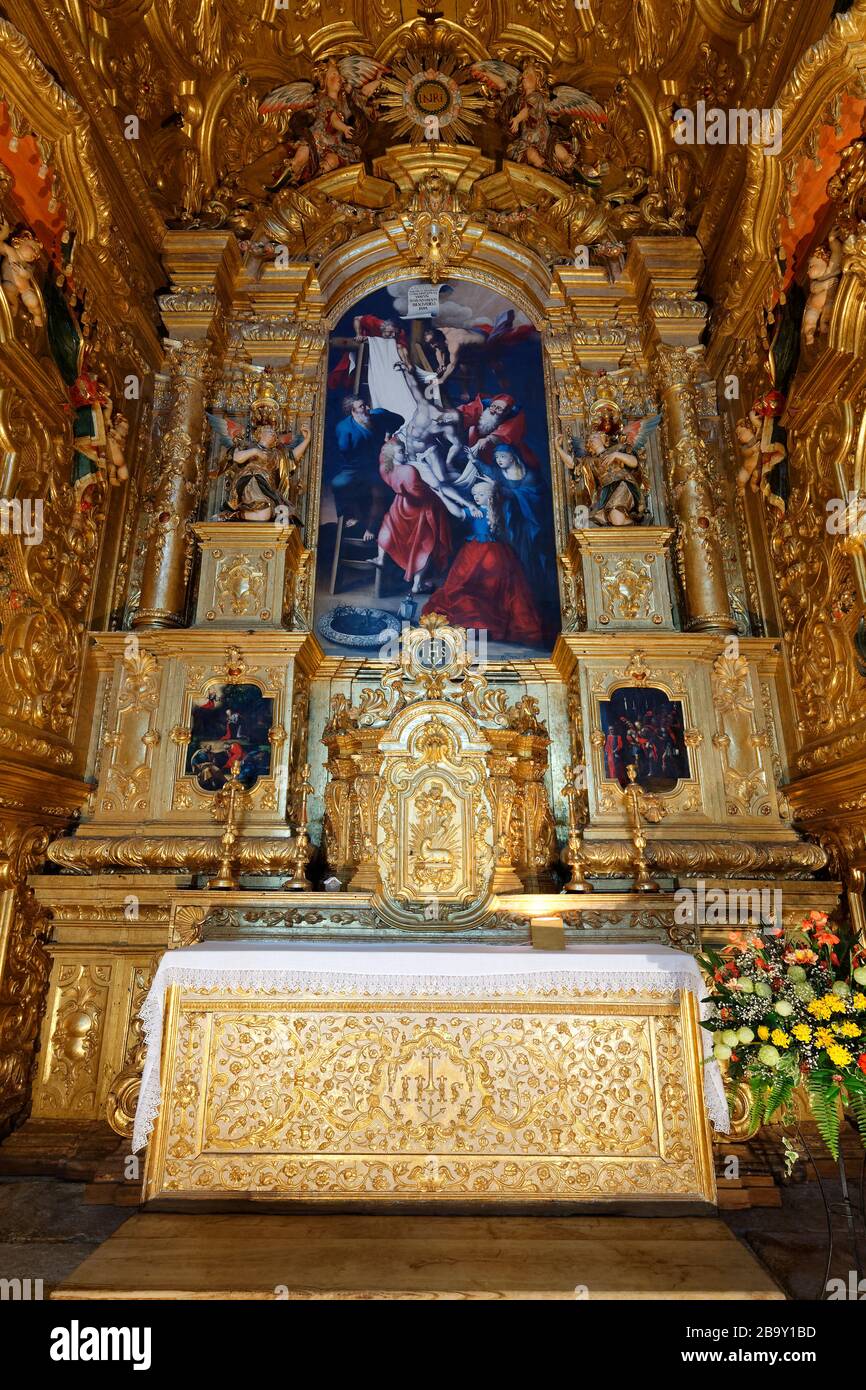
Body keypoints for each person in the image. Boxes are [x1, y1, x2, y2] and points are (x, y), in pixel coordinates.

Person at [421, 480, 544, 647]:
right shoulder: (495, 511)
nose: (476, 498)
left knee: (479, 586)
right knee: (482, 587)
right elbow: (458, 512)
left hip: (480, 553)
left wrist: (442, 495)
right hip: (495, 553)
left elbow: (458, 512)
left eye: (480, 495)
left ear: (490, 496)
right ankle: (480, 623)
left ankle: (481, 623)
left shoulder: (483, 512)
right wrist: (443, 495)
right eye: (474, 495)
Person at [373, 438, 453, 593]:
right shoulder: (408, 470)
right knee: (427, 542)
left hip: (400, 507)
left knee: (388, 522)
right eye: (401, 451)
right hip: (419, 508)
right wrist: (433, 488)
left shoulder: (384, 469)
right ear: (391, 454)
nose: (405, 453)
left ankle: (380, 558)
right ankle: (417, 584)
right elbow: (419, 494)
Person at [332, 396, 401, 539]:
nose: (368, 408)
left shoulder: (379, 415)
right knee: (338, 484)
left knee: (379, 491)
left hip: (380, 461)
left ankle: (371, 528)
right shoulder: (344, 428)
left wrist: (388, 433)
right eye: (362, 407)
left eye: (366, 405)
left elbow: (399, 420)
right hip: (356, 465)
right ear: (353, 411)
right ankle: (353, 515)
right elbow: (344, 452)